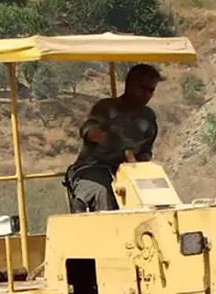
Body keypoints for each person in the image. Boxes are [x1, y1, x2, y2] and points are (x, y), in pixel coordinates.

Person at [64, 63, 162, 213]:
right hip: (92, 169)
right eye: (143, 89)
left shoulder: (148, 118)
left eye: (151, 91)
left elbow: (145, 152)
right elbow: (88, 128)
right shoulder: (106, 108)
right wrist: (93, 134)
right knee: (103, 192)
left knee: (157, 196)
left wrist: (139, 169)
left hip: (128, 174)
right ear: (130, 85)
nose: (147, 95)